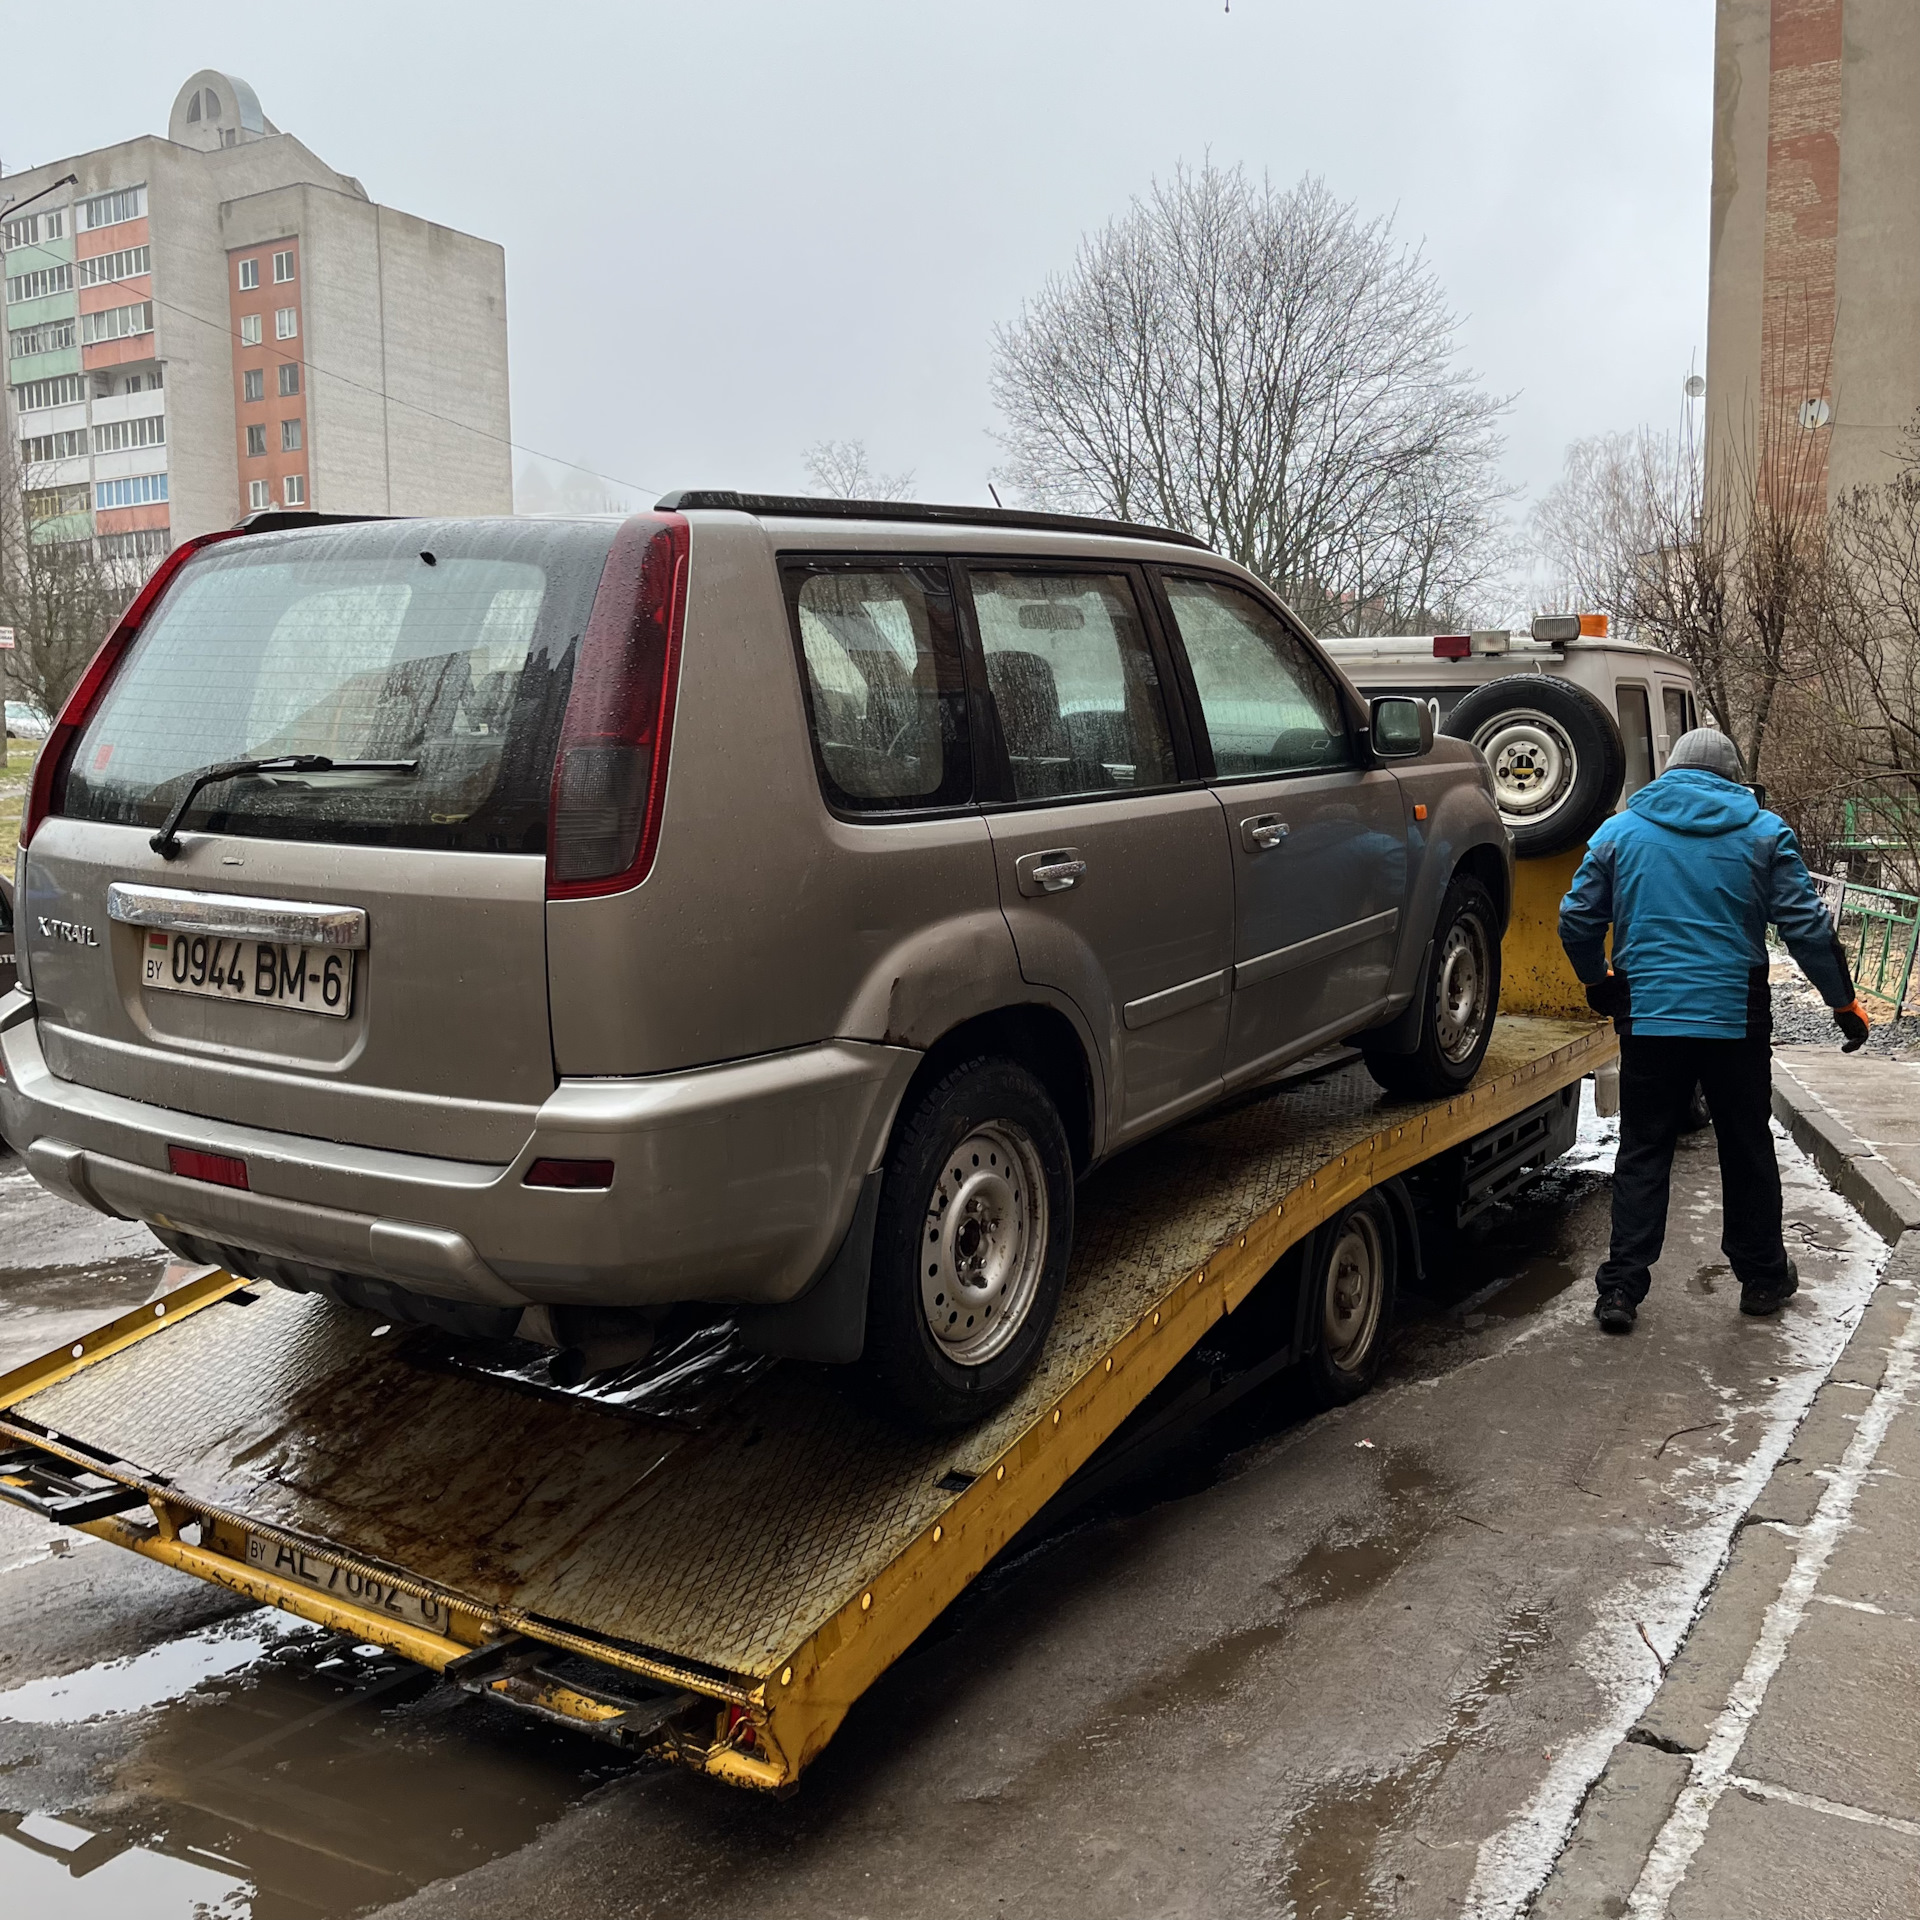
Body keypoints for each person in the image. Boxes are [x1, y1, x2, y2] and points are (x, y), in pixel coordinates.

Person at [1559, 728, 1871, 1333]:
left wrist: (1598, 980)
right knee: (1746, 1143)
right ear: (1733, 778)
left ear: (1669, 773)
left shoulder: (1620, 832)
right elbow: (1806, 926)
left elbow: (1577, 917)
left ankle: (1621, 1288)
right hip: (1736, 1014)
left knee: (1645, 1147)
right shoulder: (1763, 833)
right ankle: (1761, 1279)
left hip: (1649, 1011)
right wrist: (1842, 1003)